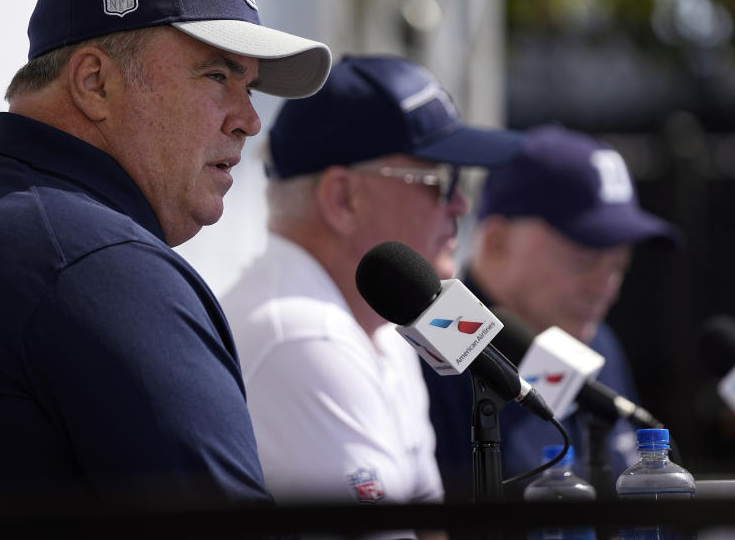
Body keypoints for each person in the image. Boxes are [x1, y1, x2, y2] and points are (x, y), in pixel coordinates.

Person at [0, 0, 331, 507]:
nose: (248, 120)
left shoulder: (17, 224)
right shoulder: (95, 264)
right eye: (216, 76)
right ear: (94, 83)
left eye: (251, 87)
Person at [220, 55, 524, 508]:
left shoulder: (379, 326)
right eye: (439, 179)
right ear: (343, 199)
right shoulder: (303, 334)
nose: (460, 204)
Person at [423, 124, 683, 501]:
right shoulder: (435, 352)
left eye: (619, 264)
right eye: (584, 260)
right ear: (496, 242)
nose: (605, 285)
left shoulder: (597, 341)